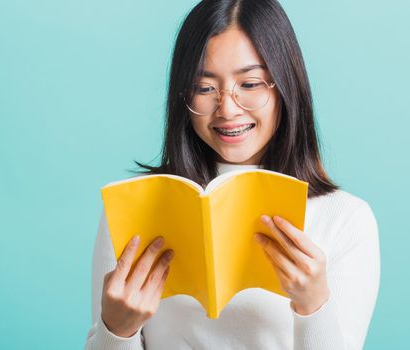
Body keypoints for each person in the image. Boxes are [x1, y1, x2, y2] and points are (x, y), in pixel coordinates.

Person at [85, 0, 380, 349]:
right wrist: (116, 329)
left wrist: (313, 306)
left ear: (286, 86)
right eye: (205, 88)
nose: (227, 108)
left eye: (250, 84)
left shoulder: (345, 218)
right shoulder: (133, 208)